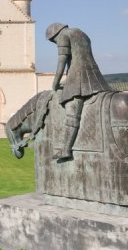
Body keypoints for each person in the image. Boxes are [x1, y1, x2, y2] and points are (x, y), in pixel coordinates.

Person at [46, 23, 112, 161]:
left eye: (54, 41)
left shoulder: (63, 35)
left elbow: (62, 61)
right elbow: (79, 58)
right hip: (94, 76)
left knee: (72, 112)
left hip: (78, 78)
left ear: (55, 35)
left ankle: (66, 149)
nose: (56, 43)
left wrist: (56, 82)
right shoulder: (82, 34)